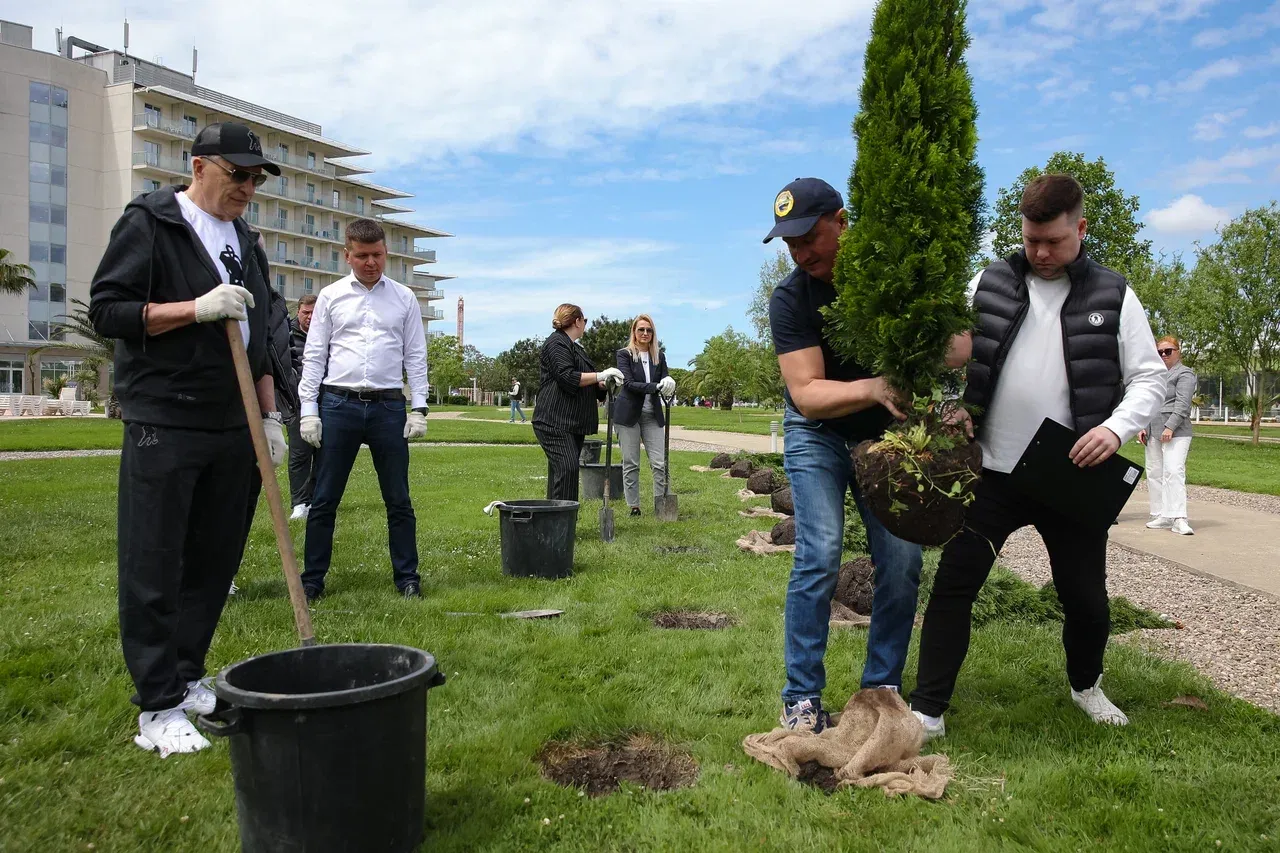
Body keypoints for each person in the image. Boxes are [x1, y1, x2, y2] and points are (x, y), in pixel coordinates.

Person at [910, 174, 1166, 738]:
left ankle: (1086, 687)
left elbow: (1150, 379)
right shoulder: (988, 282)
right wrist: (955, 405)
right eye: (1031, 241)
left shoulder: (1114, 293)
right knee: (954, 585)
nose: (1041, 253)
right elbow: (952, 356)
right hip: (992, 474)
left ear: (1081, 227)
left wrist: (1117, 429)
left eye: (1053, 241)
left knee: (1086, 601)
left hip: (1070, 475)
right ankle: (928, 710)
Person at [88, 121, 284, 757]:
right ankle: (157, 706)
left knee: (214, 560)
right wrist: (194, 309)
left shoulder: (244, 240)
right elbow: (109, 310)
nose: (249, 188)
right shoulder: (151, 223)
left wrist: (270, 417)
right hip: (166, 418)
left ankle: (188, 674)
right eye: (239, 175)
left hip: (235, 424)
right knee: (155, 559)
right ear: (199, 166)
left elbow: (262, 335)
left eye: (256, 178)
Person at [764, 177, 970, 732]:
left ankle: (881, 689)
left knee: (901, 562)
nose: (801, 252)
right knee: (821, 551)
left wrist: (928, 337)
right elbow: (807, 394)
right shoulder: (790, 299)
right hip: (818, 434)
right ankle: (802, 697)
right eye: (790, 244)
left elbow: (960, 347)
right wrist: (874, 386)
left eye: (809, 237)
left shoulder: (889, 278)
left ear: (841, 221)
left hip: (888, 434)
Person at [297, 219, 429, 601]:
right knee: (324, 498)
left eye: (377, 255)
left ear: (386, 253)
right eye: (362, 255)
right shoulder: (330, 296)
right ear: (347, 255)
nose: (371, 262)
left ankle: (407, 578)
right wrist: (309, 409)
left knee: (398, 499)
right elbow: (315, 354)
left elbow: (415, 355)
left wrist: (418, 407)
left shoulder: (404, 298)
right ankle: (312, 580)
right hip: (338, 404)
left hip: (389, 407)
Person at [532, 304, 624, 502]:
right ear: (577, 321)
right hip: (554, 421)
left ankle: (561, 522)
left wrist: (603, 384)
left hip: (571, 422)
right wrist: (600, 374)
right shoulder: (556, 344)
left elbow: (585, 380)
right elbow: (567, 377)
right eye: (585, 321)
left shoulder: (575, 348)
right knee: (567, 469)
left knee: (564, 472)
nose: (585, 325)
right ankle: (561, 523)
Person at [614, 314, 676, 516]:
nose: (645, 333)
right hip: (628, 415)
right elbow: (629, 384)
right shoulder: (624, 354)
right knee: (631, 462)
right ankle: (634, 506)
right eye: (641, 329)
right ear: (634, 332)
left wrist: (669, 382)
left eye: (649, 330)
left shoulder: (659, 356)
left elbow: (665, 377)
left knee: (660, 463)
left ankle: (662, 503)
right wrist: (656, 386)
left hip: (652, 415)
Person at [1140, 336, 1197, 535]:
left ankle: (1179, 517)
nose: (1163, 355)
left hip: (1177, 432)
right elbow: (1150, 402)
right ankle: (1161, 514)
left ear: (1178, 351)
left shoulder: (1185, 374)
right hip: (1152, 430)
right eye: (1160, 352)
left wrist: (1170, 427)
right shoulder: (1155, 375)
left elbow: (1182, 405)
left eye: (1168, 351)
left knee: (1173, 471)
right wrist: (1143, 426)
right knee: (1155, 472)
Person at [288, 294, 318, 520]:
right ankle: (299, 503)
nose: (309, 317)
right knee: (299, 454)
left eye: (313, 312)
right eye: (305, 312)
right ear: (298, 311)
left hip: (326, 401)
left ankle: (316, 500)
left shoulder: (329, 332)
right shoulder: (286, 334)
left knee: (324, 454)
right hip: (297, 403)